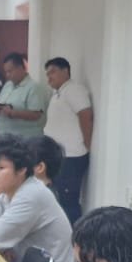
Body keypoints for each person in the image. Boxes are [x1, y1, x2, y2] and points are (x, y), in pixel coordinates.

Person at [0, 134, 75, 262]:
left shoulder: (30, 195)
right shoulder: (10, 190)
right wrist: (1, 245)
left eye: (0, 168)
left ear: (22, 169)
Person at [43, 57, 94, 223]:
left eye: (52, 72)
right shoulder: (58, 93)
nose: (49, 77)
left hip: (72, 156)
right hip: (60, 156)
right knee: (58, 198)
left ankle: (75, 234)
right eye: (47, 74)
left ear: (65, 71)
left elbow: (85, 115)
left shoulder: (74, 89)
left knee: (68, 201)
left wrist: (87, 143)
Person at [0, 52, 49, 139]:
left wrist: (12, 113)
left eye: (10, 71)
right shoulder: (8, 85)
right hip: (3, 135)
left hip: (25, 138)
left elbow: (36, 115)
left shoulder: (34, 87)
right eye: (6, 72)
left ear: (21, 68)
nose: (7, 75)